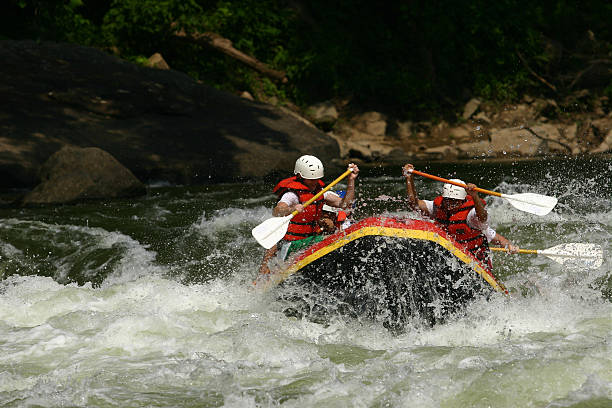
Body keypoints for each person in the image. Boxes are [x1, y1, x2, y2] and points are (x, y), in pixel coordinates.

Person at [402, 163, 518, 269]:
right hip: (449, 261)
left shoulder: (471, 216)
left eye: (455, 201)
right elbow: (414, 204)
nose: (450, 204)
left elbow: (485, 221)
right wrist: (409, 178)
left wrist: (475, 197)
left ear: (462, 200)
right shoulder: (438, 207)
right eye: (448, 200)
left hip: (476, 264)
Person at [258, 156, 359, 275]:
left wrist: (351, 181)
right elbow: (277, 211)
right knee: (332, 239)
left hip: (310, 240)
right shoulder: (292, 195)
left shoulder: (321, 192)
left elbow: (345, 205)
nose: (314, 182)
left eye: (317, 179)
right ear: (300, 176)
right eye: (311, 179)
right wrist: (292, 208)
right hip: (291, 244)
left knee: (333, 234)